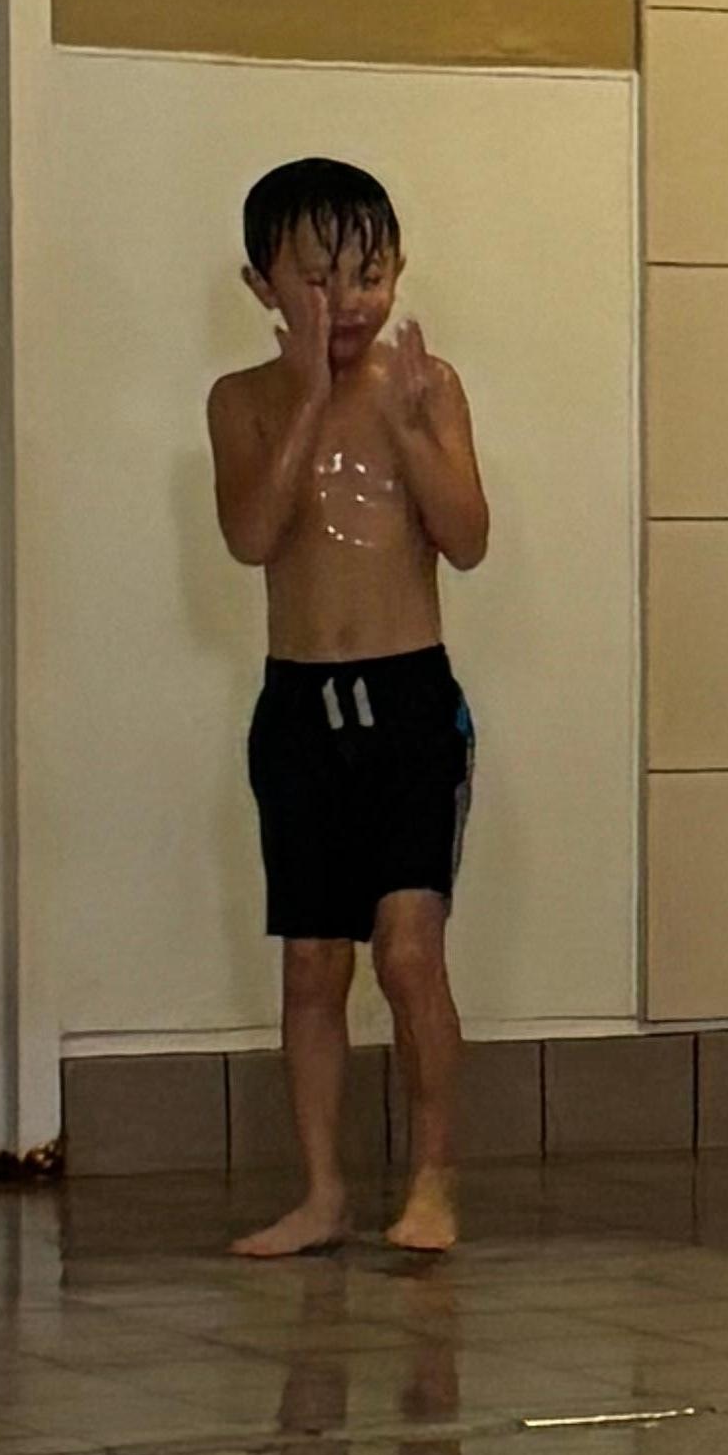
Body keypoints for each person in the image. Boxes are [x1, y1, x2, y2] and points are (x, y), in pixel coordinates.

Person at [206, 158, 487, 1261]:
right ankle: (322, 1192)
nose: (348, 302)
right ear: (263, 286)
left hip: (410, 702)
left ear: (398, 271)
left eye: (368, 275)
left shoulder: (428, 386)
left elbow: (467, 538)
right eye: (318, 279)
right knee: (313, 964)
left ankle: (434, 1182)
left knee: (410, 953)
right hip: (299, 706)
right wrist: (312, 404)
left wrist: (410, 430)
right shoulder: (241, 401)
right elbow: (250, 536)